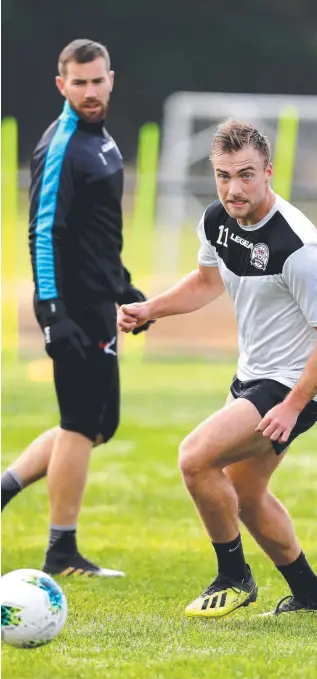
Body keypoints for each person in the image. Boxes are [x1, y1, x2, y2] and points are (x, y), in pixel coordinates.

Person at [118, 119, 317, 617]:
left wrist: (292, 406)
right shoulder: (216, 220)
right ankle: (312, 599)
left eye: (245, 175)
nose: (233, 188)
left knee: (195, 459)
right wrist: (150, 309)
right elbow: (206, 281)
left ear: (268, 171)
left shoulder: (297, 248)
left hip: (295, 383)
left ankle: (234, 576)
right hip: (255, 375)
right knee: (244, 494)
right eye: (224, 175)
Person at [1, 39, 152, 577]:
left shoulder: (102, 139)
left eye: (97, 80)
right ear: (62, 86)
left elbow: (96, 233)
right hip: (71, 307)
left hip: (98, 302)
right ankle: (61, 551)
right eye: (79, 83)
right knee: (78, 423)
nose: (90, 91)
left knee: (98, 425)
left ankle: (3, 489)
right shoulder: (61, 144)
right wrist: (50, 314)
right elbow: (44, 232)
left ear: (112, 79)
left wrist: (125, 288)